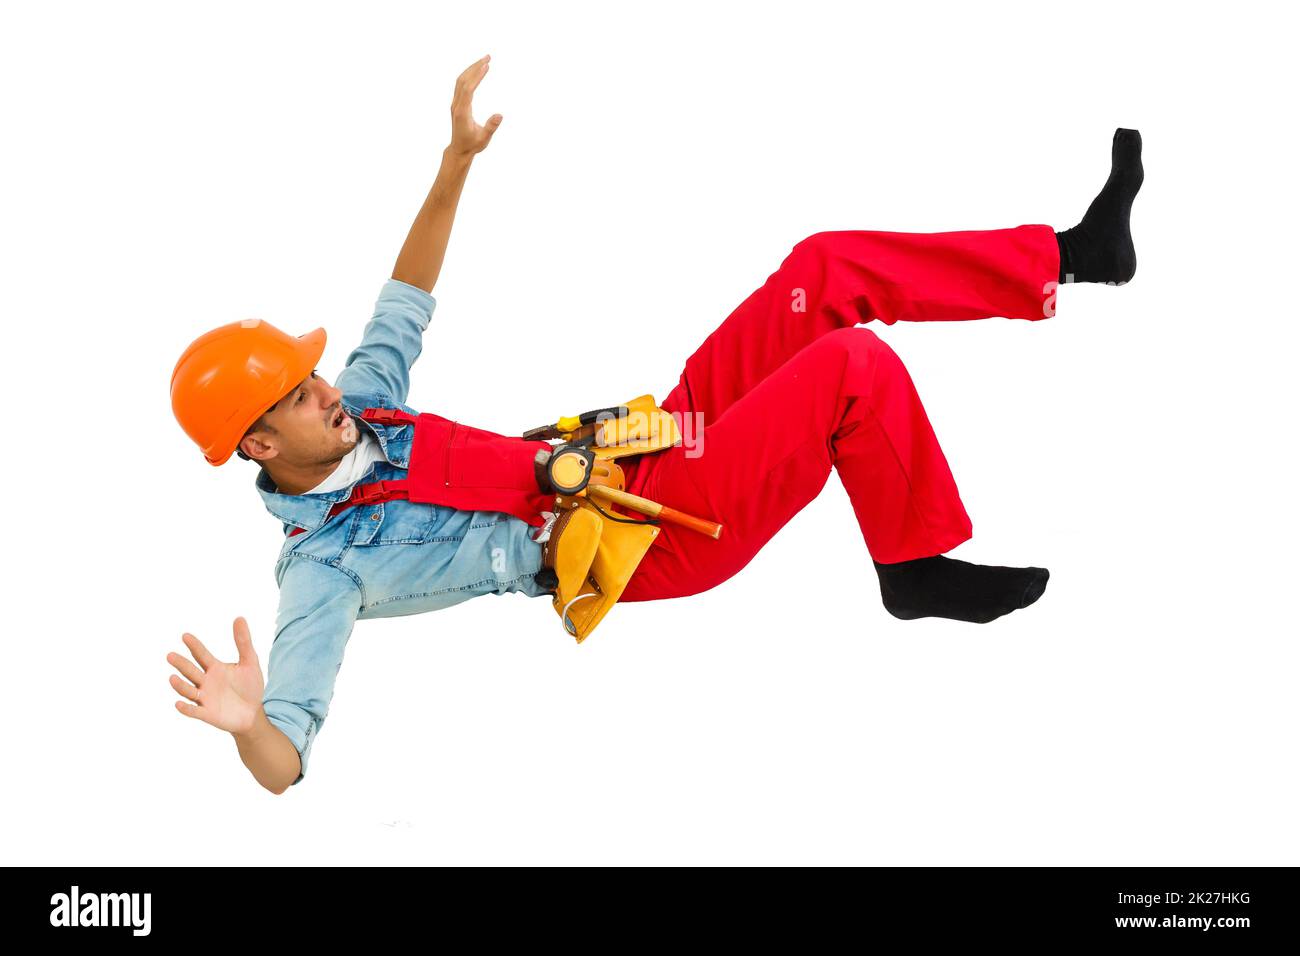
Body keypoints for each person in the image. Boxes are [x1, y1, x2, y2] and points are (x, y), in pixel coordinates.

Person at [166, 55, 1144, 793]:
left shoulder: (364, 405)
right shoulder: (324, 568)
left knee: (823, 267)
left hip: (646, 446)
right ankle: (913, 566)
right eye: (296, 395)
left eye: (311, 375)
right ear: (257, 445)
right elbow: (284, 755)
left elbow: (405, 292)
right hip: (641, 536)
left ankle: (1071, 255)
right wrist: (249, 723)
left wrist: (454, 159)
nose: (324, 389)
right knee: (849, 369)